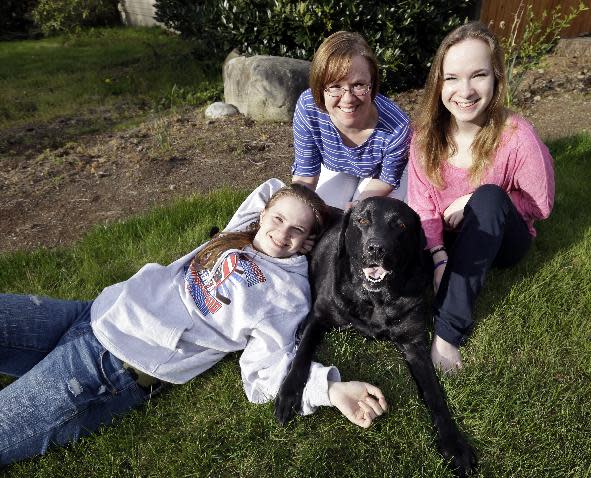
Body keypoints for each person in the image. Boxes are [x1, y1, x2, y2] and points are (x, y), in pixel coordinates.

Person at [0, 179, 387, 465]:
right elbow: (269, 187)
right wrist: (301, 205)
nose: (281, 232)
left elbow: (266, 369)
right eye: (278, 218)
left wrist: (330, 389)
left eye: (297, 230)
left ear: (307, 242)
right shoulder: (241, 232)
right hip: (95, 312)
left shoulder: (287, 293)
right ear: (263, 214)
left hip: (111, 366)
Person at [407, 22, 555, 372]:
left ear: (497, 78)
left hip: (502, 238)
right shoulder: (425, 136)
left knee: (488, 198)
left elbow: (541, 205)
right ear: (438, 83)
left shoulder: (516, 136)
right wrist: (439, 257)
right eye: (452, 78)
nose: (466, 90)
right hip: (448, 239)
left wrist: (475, 198)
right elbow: (422, 206)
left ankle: (447, 332)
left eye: (479, 75)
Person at [291, 31, 411, 211]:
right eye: (335, 86)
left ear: (373, 84)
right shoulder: (309, 108)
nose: (347, 99)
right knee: (321, 210)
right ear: (320, 88)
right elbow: (306, 175)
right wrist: (294, 209)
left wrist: (359, 205)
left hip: (380, 178)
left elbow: (387, 179)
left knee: (367, 216)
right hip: (337, 170)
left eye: (358, 85)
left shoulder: (398, 128)